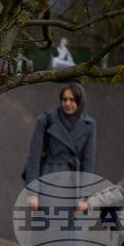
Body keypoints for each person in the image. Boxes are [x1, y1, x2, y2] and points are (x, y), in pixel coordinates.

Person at [24, 83, 96, 211]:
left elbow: (88, 163)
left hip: (74, 187)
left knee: (72, 229)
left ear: (80, 102)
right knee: (46, 228)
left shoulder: (89, 125)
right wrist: (33, 193)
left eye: (72, 100)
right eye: (64, 99)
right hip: (47, 182)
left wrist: (83, 196)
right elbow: (33, 159)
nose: (67, 103)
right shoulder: (46, 120)